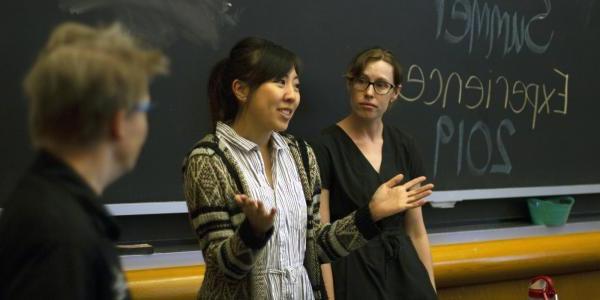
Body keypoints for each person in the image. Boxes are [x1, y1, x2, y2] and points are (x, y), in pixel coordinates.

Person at [182, 37, 434, 300]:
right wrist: (252, 234)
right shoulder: (208, 159)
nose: (292, 96)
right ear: (241, 90)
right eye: (280, 82)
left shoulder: (300, 155)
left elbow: (316, 249)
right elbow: (222, 270)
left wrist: (369, 214)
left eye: (296, 85)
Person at [0, 22, 168, 299]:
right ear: (118, 121)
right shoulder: (61, 238)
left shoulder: (54, 210)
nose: (146, 123)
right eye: (144, 108)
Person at [312, 47, 437, 299]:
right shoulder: (324, 146)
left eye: (381, 85)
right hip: (353, 272)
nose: (369, 92)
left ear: (395, 93)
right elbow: (320, 238)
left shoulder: (404, 145)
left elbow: (416, 231)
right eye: (362, 81)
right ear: (350, 84)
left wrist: (431, 291)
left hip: (404, 272)